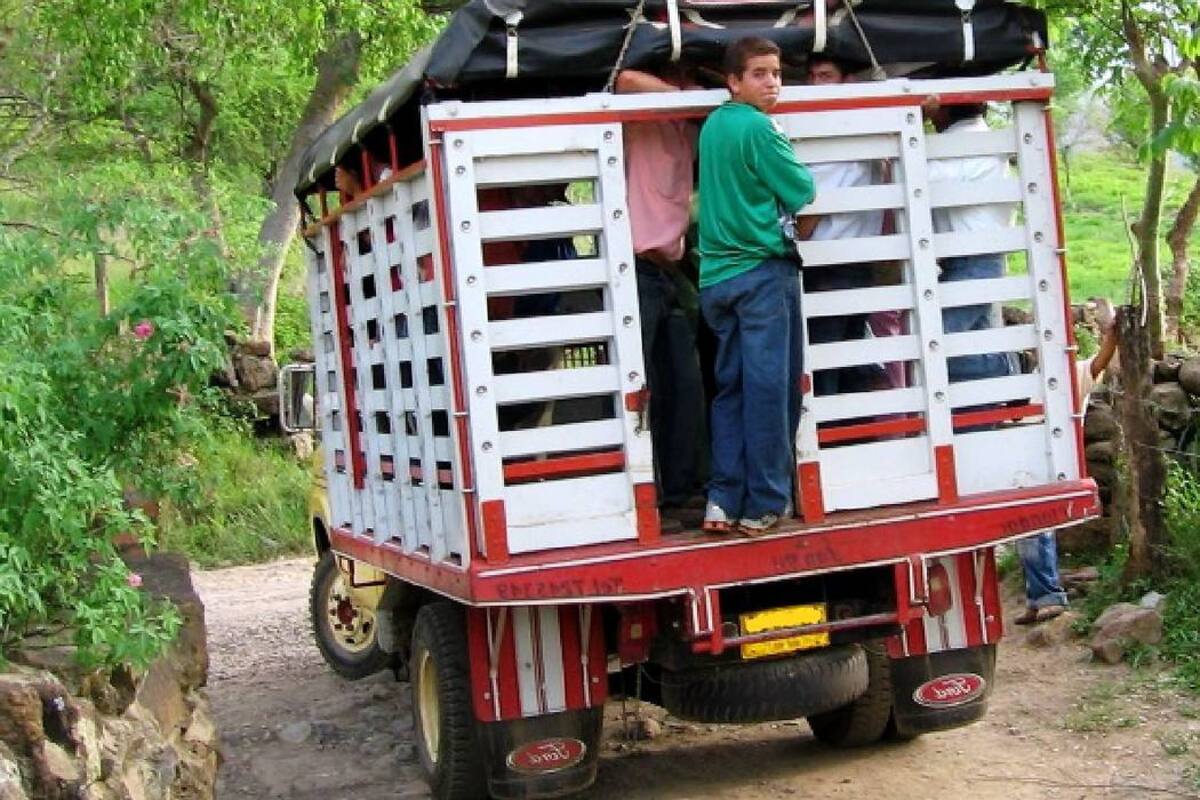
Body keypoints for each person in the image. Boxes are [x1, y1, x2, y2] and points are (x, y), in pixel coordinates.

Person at [697, 37, 816, 535]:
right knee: (771, 390)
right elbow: (803, 190)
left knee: (732, 390)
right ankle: (764, 502)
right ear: (734, 81)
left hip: (715, 280)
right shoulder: (760, 129)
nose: (772, 82)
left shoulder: (712, 125)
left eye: (776, 73)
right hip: (762, 274)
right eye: (760, 73)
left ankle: (722, 499)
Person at [616, 66, 707, 530]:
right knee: (640, 389)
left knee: (682, 386)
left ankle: (677, 492)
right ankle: (641, 495)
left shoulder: (687, 129)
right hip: (633, 268)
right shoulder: (644, 116)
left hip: (667, 271)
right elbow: (627, 80)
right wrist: (684, 94)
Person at [1015, 298, 1117, 624]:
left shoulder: (1073, 374)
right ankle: (1038, 596)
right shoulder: (1031, 378)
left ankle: (1048, 596)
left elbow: (1102, 360)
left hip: (1045, 463)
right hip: (1024, 465)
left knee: (1035, 529)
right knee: (1027, 532)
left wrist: (1112, 331)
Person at [803, 56, 885, 397]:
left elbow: (810, 214)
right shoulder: (864, 130)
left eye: (825, 75)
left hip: (828, 266)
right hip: (857, 265)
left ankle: (830, 439)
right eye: (811, 77)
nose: (815, 84)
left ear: (846, 80)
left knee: (825, 366)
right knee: (846, 358)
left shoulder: (831, 137)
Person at [923, 100, 1017, 384]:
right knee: (971, 347)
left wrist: (910, 123)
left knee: (931, 346)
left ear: (945, 109)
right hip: (977, 263)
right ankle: (996, 387)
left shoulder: (961, 143)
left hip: (972, 264)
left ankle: (1009, 366)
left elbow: (921, 181)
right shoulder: (981, 140)